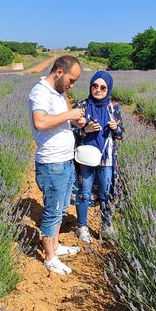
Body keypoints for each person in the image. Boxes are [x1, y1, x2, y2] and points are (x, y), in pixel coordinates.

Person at [28, 55, 85, 275]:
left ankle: (56, 246)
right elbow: (40, 122)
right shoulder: (41, 92)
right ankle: (49, 257)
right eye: (71, 80)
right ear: (59, 72)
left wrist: (73, 121)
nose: (72, 85)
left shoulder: (58, 93)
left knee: (61, 209)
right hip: (52, 164)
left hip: (65, 160)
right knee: (52, 211)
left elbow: (56, 121)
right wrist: (70, 114)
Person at [75, 70, 124, 242]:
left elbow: (121, 134)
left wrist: (115, 128)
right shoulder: (81, 105)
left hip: (107, 159)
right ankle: (82, 226)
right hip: (86, 159)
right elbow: (69, 131)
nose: (98, 90)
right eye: (94, 86)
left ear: (108, 89)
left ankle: (106, 226)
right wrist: (84, 130)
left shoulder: (113, 108)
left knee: (106, 193)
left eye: (103, 87)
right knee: (84, 193)